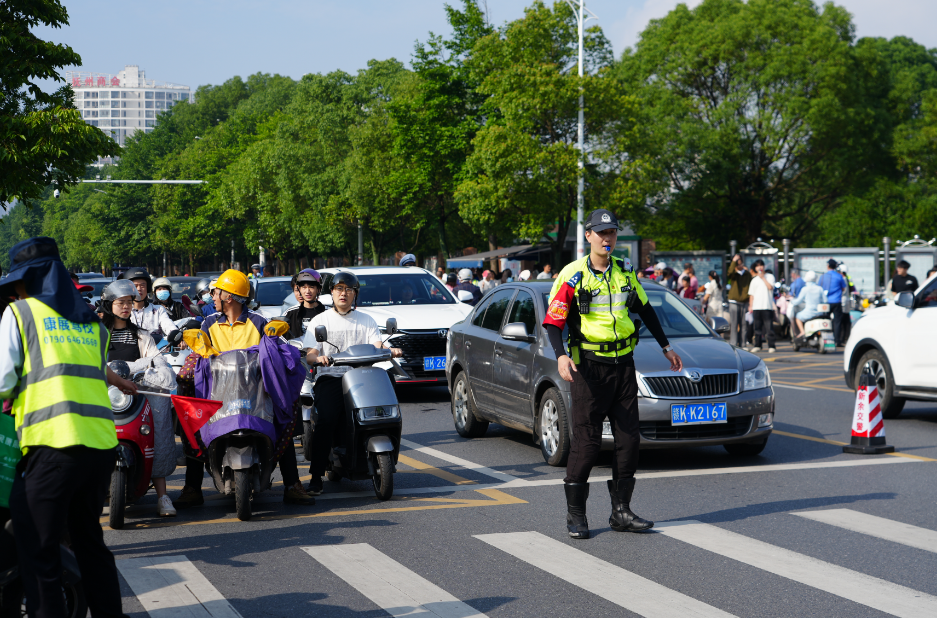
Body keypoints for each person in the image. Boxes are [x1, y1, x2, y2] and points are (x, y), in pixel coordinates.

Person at [1, 237, 138, 618]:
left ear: (30, 279)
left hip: (52, 446)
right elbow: (89, 373)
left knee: (36, 546)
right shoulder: (91, 325)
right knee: (89, 542)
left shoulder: (21, 313)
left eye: (18, 281)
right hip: (98, 451)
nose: (15, 289)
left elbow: (1, 381)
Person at [543, 209, 683, 540]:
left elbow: (646, 309)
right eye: (601, 233)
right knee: (588, 443)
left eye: (613, 233)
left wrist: (666, 347)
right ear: (588, 236)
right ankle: (575, 515)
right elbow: (553, 321)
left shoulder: (624, 272)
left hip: (623, 365)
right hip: (589, 368)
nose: (608, 239)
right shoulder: (572, 275)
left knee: (629, 440)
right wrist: (561, 356)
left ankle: (621, 512)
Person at [176, 269, 313, 507]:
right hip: (219, 395)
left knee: (284, 424)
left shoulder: (259, 322)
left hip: (255, 394)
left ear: (229, 296)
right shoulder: (208, 323)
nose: (213, 297)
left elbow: (276, 354)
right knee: (193, 423)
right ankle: (192, 487)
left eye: (216, 292)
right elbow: (199, 356)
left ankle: (293, 485)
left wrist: (275, 336)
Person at [302, 271, 404, 495]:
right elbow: (310, 354)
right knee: (326, 419)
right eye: (339, 289)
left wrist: (390, 350)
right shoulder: (320, 321)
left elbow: (377, 346)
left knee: (383, 411)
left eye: (349, 290)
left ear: (355, 294)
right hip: (332, 376)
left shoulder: (366, 320)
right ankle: (316, 477)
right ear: (332, 293)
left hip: (363, 376)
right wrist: (319, 358)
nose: (344, 293)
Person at [99, 280, 177, 516]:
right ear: (108, 304)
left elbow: (159, 364)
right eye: (120, 302)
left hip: (137, 395)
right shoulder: (99, 333)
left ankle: (163, 496)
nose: (125, 307)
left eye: (128, 302)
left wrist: (134, 368)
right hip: (105, 397)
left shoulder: (142, 335)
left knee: (158, 430)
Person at [120, 267, 179, 345]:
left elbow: (168, 325)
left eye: (142, 285)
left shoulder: (158, 310)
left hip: (155, 353)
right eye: (135, 286)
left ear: (147, 288)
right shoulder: (122, 310)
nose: (139, 289)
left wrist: (177, 336)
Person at [285, 270, 326, 339]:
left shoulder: (327, 312)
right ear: (299, 289)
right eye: (304, 287)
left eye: (311, 287)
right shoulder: (290, 313)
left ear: (318, 289)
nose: (307, 291)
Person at [747, 259, 776, 352]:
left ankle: (771, 346)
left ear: (764, 267)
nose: (760, 267)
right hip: (756, 307)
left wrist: (763, 278)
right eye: (758, 266)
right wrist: (750, 305)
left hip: (767, 306)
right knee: (757, 328)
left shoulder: (770, 276)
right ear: (755, 268)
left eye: (761, 265)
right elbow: (751, 294)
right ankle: (758, 345)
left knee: (769, 327)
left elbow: (770, 287)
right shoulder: (754, 280)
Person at [726, 254, 752, 349]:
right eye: (737, 263)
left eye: (740, 262)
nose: (739, 265)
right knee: (734, 323)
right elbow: (729, 273)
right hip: (733, 301)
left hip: (744, 301)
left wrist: (750, 302)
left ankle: (743, 344)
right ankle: (733, 344)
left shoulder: (747, 274)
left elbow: (750, 288)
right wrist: (733, 261)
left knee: (744, 324)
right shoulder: (734, 274)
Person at [819, 259, 848, 346]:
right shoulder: (839, 276)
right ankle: (837, 341)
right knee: (837, 322)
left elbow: (819, 288)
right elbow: (843, 288)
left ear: (828, 266)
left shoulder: (823, 276)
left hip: (826, 302)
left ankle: (826, 339)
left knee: (825, 320)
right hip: (836, 301)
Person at [792, 271, 826, 338]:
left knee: (798, 316)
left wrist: (791, 301)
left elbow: (798, 301)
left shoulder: (805, 289)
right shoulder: (820, 289)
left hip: (809, 313)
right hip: (820, 313)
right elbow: (825, 301)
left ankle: (802, 332)